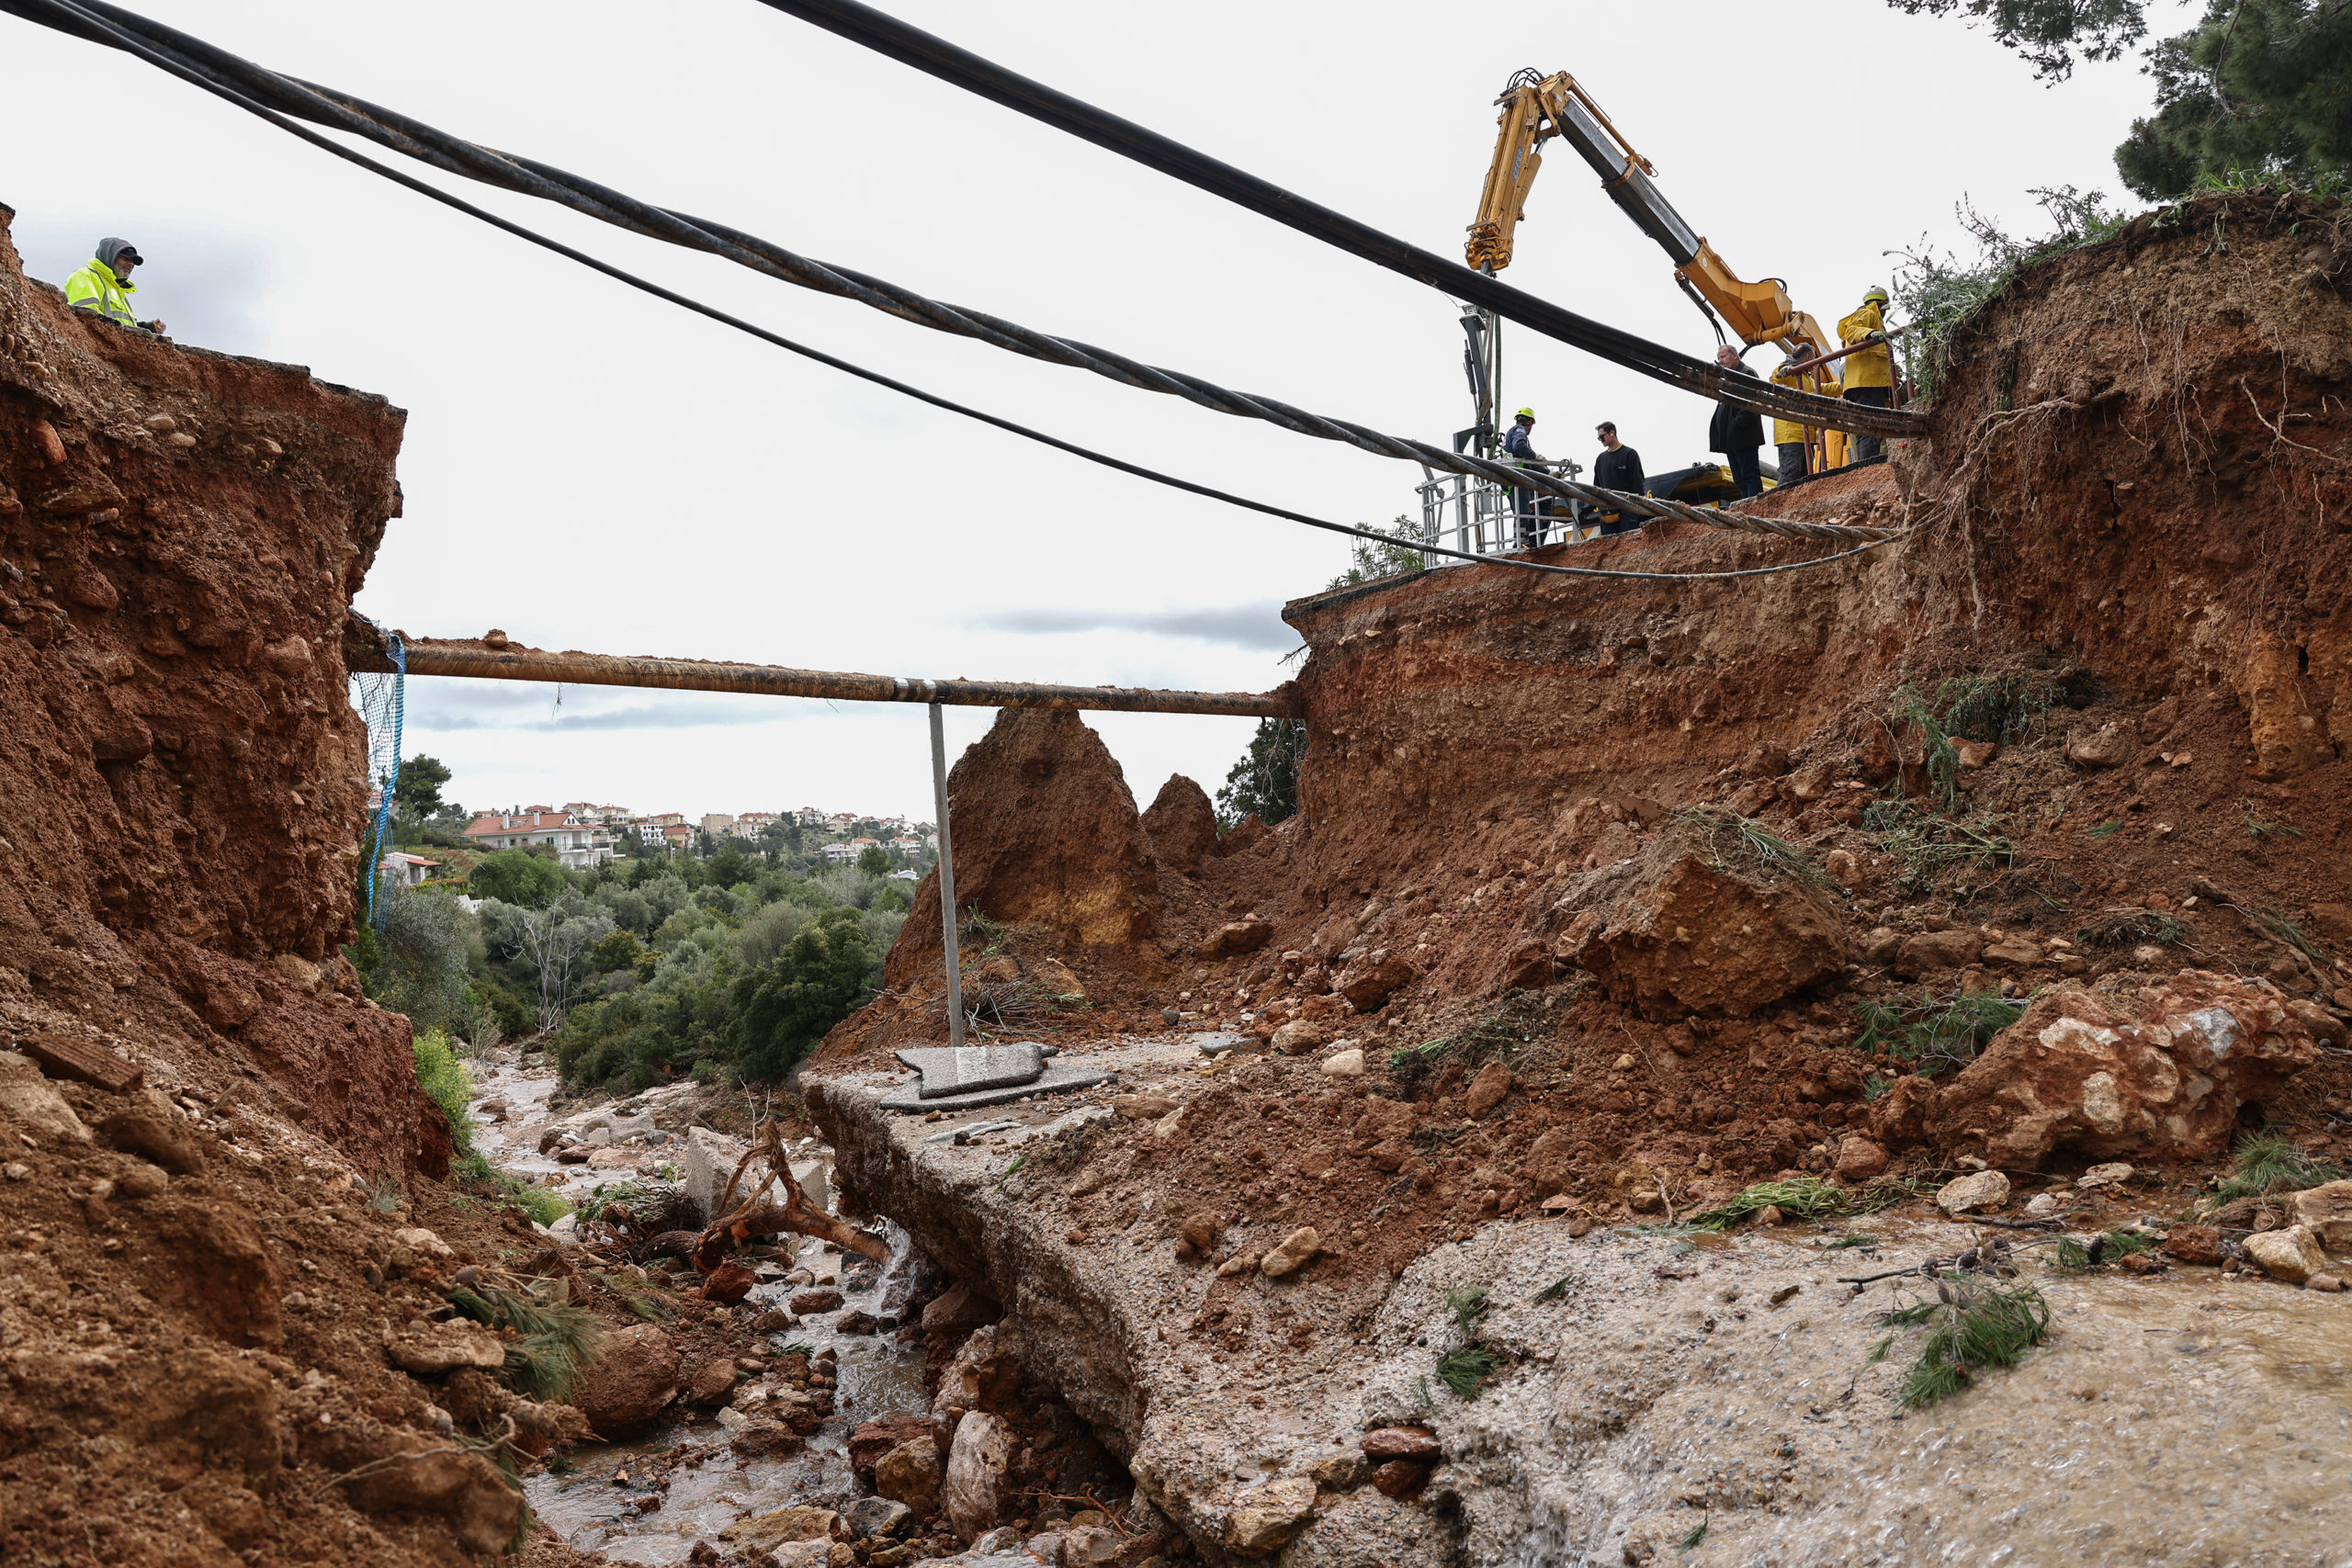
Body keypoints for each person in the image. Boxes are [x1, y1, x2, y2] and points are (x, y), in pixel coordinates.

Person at [1838, 285, 1894, 462]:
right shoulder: (1869, 313)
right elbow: (1852, 330)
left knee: (1867, 429)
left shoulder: (1874, 317)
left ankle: (1866, 466)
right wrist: (1871, 333)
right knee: (1872, 427)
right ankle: (1869, 467)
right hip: (1867, 382)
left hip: (1863, 382)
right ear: (1883, 304)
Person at [63, 239, 164, 335]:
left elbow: (121, 329)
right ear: (109, 257)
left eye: (133, 261)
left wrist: (147, 328)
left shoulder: (116, 289)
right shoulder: (84, 276)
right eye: (126, 258)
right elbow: (86, 320)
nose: (131, 264)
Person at [1706, 344, 1766, 500]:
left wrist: (1737, 425)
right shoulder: (1728, 378)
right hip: (1731, 439)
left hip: (1743, 436)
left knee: (1749, 475)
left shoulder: (1747, 373)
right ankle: (1747, 508)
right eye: (1719, 358)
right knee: (1739, 479)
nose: (1721, 360)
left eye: (1724, 356)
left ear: (1735, 355)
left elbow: (1752, 402)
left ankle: (1756, 509)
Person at [1771, 350, 1838, 484]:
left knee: (1803, 474)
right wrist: (1785, 369)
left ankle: (1794, 503)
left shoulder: (1806, 379)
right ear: (1808, 356)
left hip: (1803, 433)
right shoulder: (1792, 373)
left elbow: (1823, 389)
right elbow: (1777, 377)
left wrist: (1844, 383)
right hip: (1791, 433)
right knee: (1791, 471)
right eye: (1813, 358)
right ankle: (1778, 503)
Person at [1500, 406, 1553, 548]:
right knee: (1522, 512)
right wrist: (1535, 455)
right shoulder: (1519, 430)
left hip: (1511, 479)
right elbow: (1520, 447)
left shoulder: (1510, 433)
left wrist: (1549, 474)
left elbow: (1531, 465)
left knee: (1521, 512)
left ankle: (1521, 541)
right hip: (1518, 478)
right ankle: (1521, 542)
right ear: (1529, 421)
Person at [1591, 422, 1644, 535]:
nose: (1601, 440)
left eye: (1602, 436)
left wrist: (1639, 509)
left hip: (1628, 509)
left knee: (1629, 541)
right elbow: (1596, 486)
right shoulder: (1601, 459)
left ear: (1612, 433)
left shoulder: (1629, 454)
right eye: (1598, 438)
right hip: (1608, 512)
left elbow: (1638, 483)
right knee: (1610, 545)